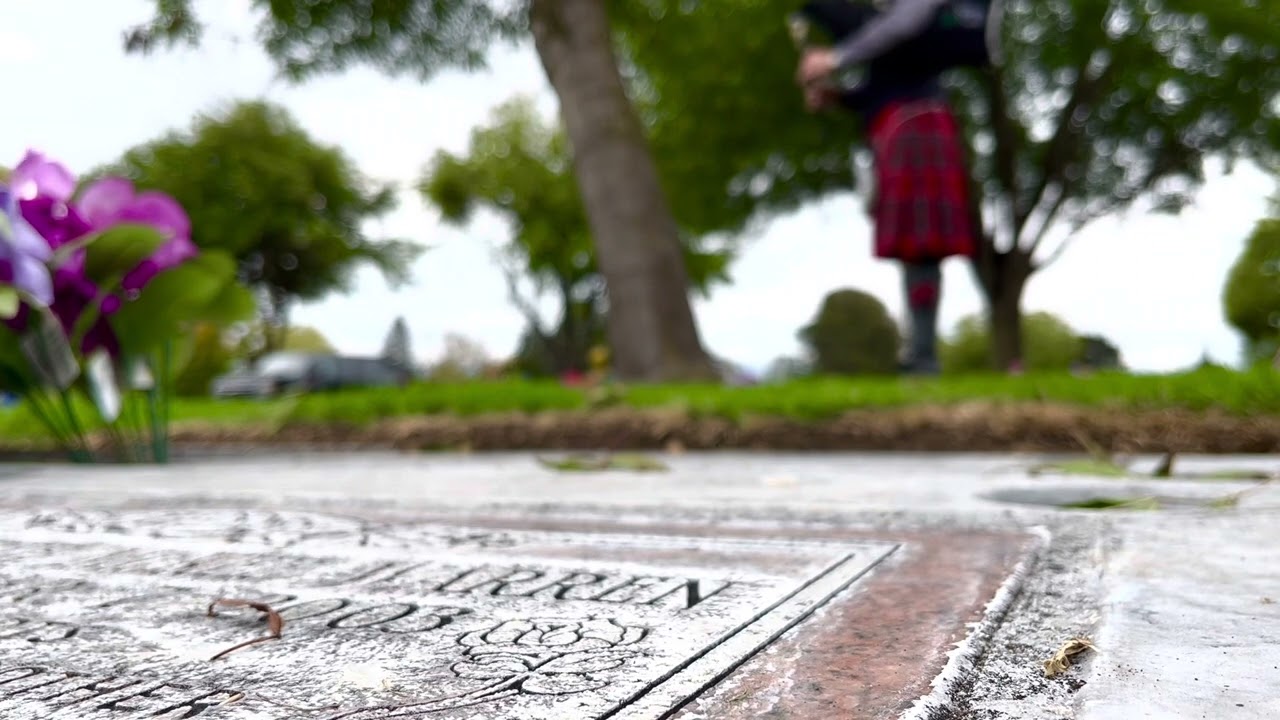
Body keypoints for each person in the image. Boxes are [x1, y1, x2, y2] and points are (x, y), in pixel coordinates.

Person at [796, 5, 978, 375]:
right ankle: (921, 353)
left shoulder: (906, 17)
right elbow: (879, 88)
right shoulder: (880, 29)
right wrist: (837, 96)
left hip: (917, 125)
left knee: (923, 249)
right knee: (915, 251)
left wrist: (834, 58)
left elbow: (900, 26)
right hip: (899, 127)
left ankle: (924, 357)